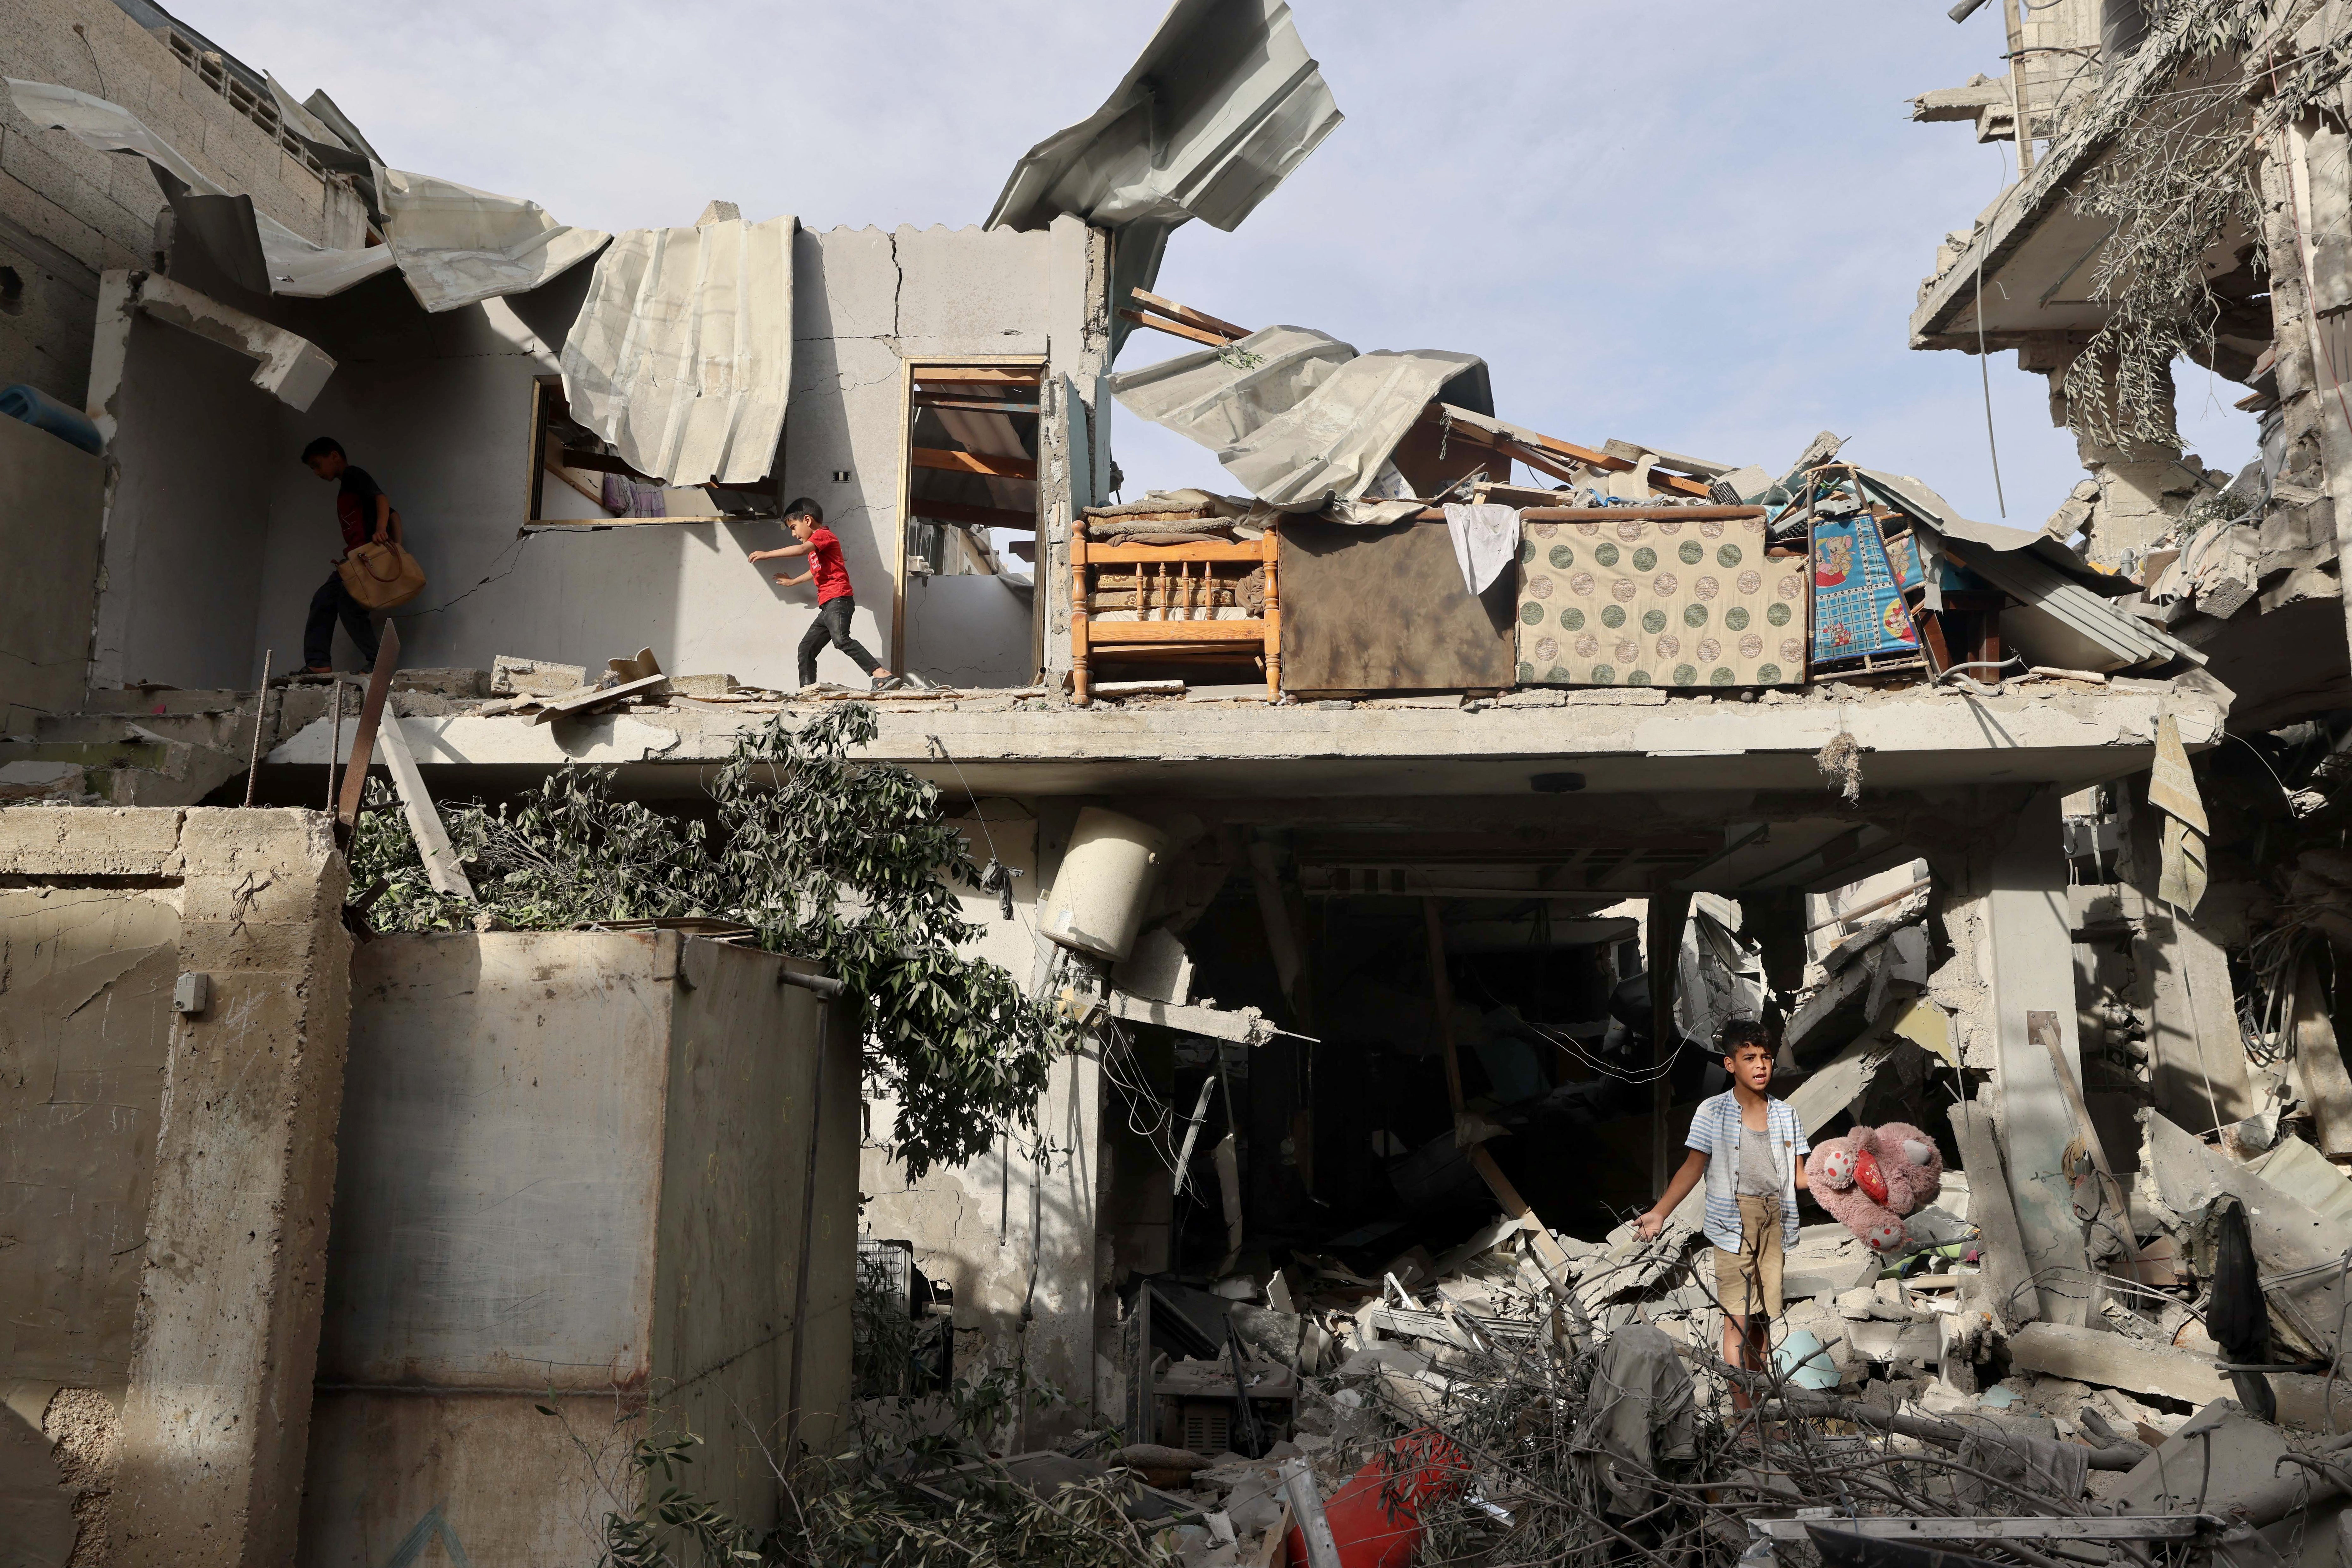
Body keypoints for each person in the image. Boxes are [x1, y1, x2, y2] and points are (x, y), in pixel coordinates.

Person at [1635, 1019, 1808, 1414]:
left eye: (1765, 1057)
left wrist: (1846, 1175)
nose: (1761, 1065)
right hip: (1734, 1222)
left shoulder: (1787, 1114)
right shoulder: (1712, 1111)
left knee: (1763, 1320)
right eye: (1750, 1058)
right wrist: (1660, 1212)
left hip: (1775, 1220)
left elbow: (1800, 1177)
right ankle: (1743, 1416)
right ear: (1731, 1064)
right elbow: (1693, 1167)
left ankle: (1760, 1404)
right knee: (1738, 1320)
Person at [749, 498, 899, 692]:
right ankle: (807, 691)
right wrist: (794, 581)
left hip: (839, 600)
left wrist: (767, 554)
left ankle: (881, 675)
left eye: (794, 528)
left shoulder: (823, 536)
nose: (794, 534)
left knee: (842, 640)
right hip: (828, 606)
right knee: (806, 649)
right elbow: (816, 571)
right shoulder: (817, 548)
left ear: (808, 520)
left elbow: (802, 550)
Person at [299, 436, 394, 673]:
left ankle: (376, 663)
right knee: (327, 600)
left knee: (346, 607)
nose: (316, 473)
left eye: (317, 465)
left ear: (334, 456)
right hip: (353, 560)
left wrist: (385, 536)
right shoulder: (347, 486)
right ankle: (319, 663)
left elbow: (383, 500)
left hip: (365, 557)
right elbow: (395, 514)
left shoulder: (353, 475)